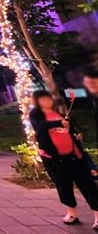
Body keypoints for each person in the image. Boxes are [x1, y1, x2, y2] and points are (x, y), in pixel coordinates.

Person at [30, 89, 98, 229]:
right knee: (63, 186)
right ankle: (72, 213)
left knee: (88, 185)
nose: (47, 101)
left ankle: (97, 215)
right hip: (55, 160)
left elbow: (73, 132)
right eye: (42, 99)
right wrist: (58, 124)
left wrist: (77, 135)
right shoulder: (36, 116)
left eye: (48, 99)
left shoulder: (62, 115)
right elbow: (40, 127)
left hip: (75, 157)